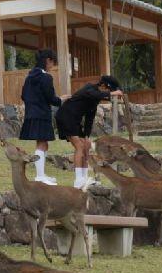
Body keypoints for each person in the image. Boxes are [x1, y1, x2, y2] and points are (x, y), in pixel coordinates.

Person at [55, 75, 123, 188]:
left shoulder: (95, 100)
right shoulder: (89, 89)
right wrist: (113, 93)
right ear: (103, 85)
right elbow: (95, 94)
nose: (108, 93)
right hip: (65, 116)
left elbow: (89, 118)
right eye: (109, 90)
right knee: (79, 147)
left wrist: (86, 135)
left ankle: (84, 178)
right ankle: (78, 181)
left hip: (75, 119)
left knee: (86, 146)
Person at [19, 49, 65, 186]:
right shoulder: (46, 77)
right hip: (42, 114)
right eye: (52, 63)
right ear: (48, 60)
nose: (52, 67)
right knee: (42, 143)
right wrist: (61, 100)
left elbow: (23, 96)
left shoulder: (29, 77)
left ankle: (42, 174)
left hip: (31, 113)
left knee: (43, 143)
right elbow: (51, 98)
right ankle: (39, 176)